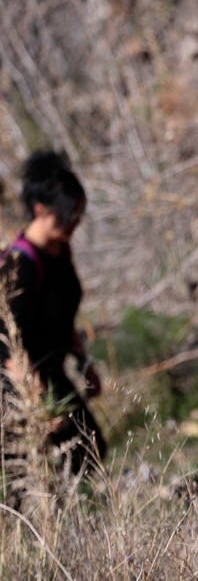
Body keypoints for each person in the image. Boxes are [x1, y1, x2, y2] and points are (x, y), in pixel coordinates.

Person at [0, 151, 106, 474]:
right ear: (40, 210)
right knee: (22, 472)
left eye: (78, 214)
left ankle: (81, 519)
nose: (75, 222)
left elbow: (62, 317)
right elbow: (7, 342)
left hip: (53, 372)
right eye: (68, 214)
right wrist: (38, 400)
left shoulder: (60, 252)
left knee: (90, 450)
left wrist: (84, 362)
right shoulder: (18, 266)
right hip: (19, 386)